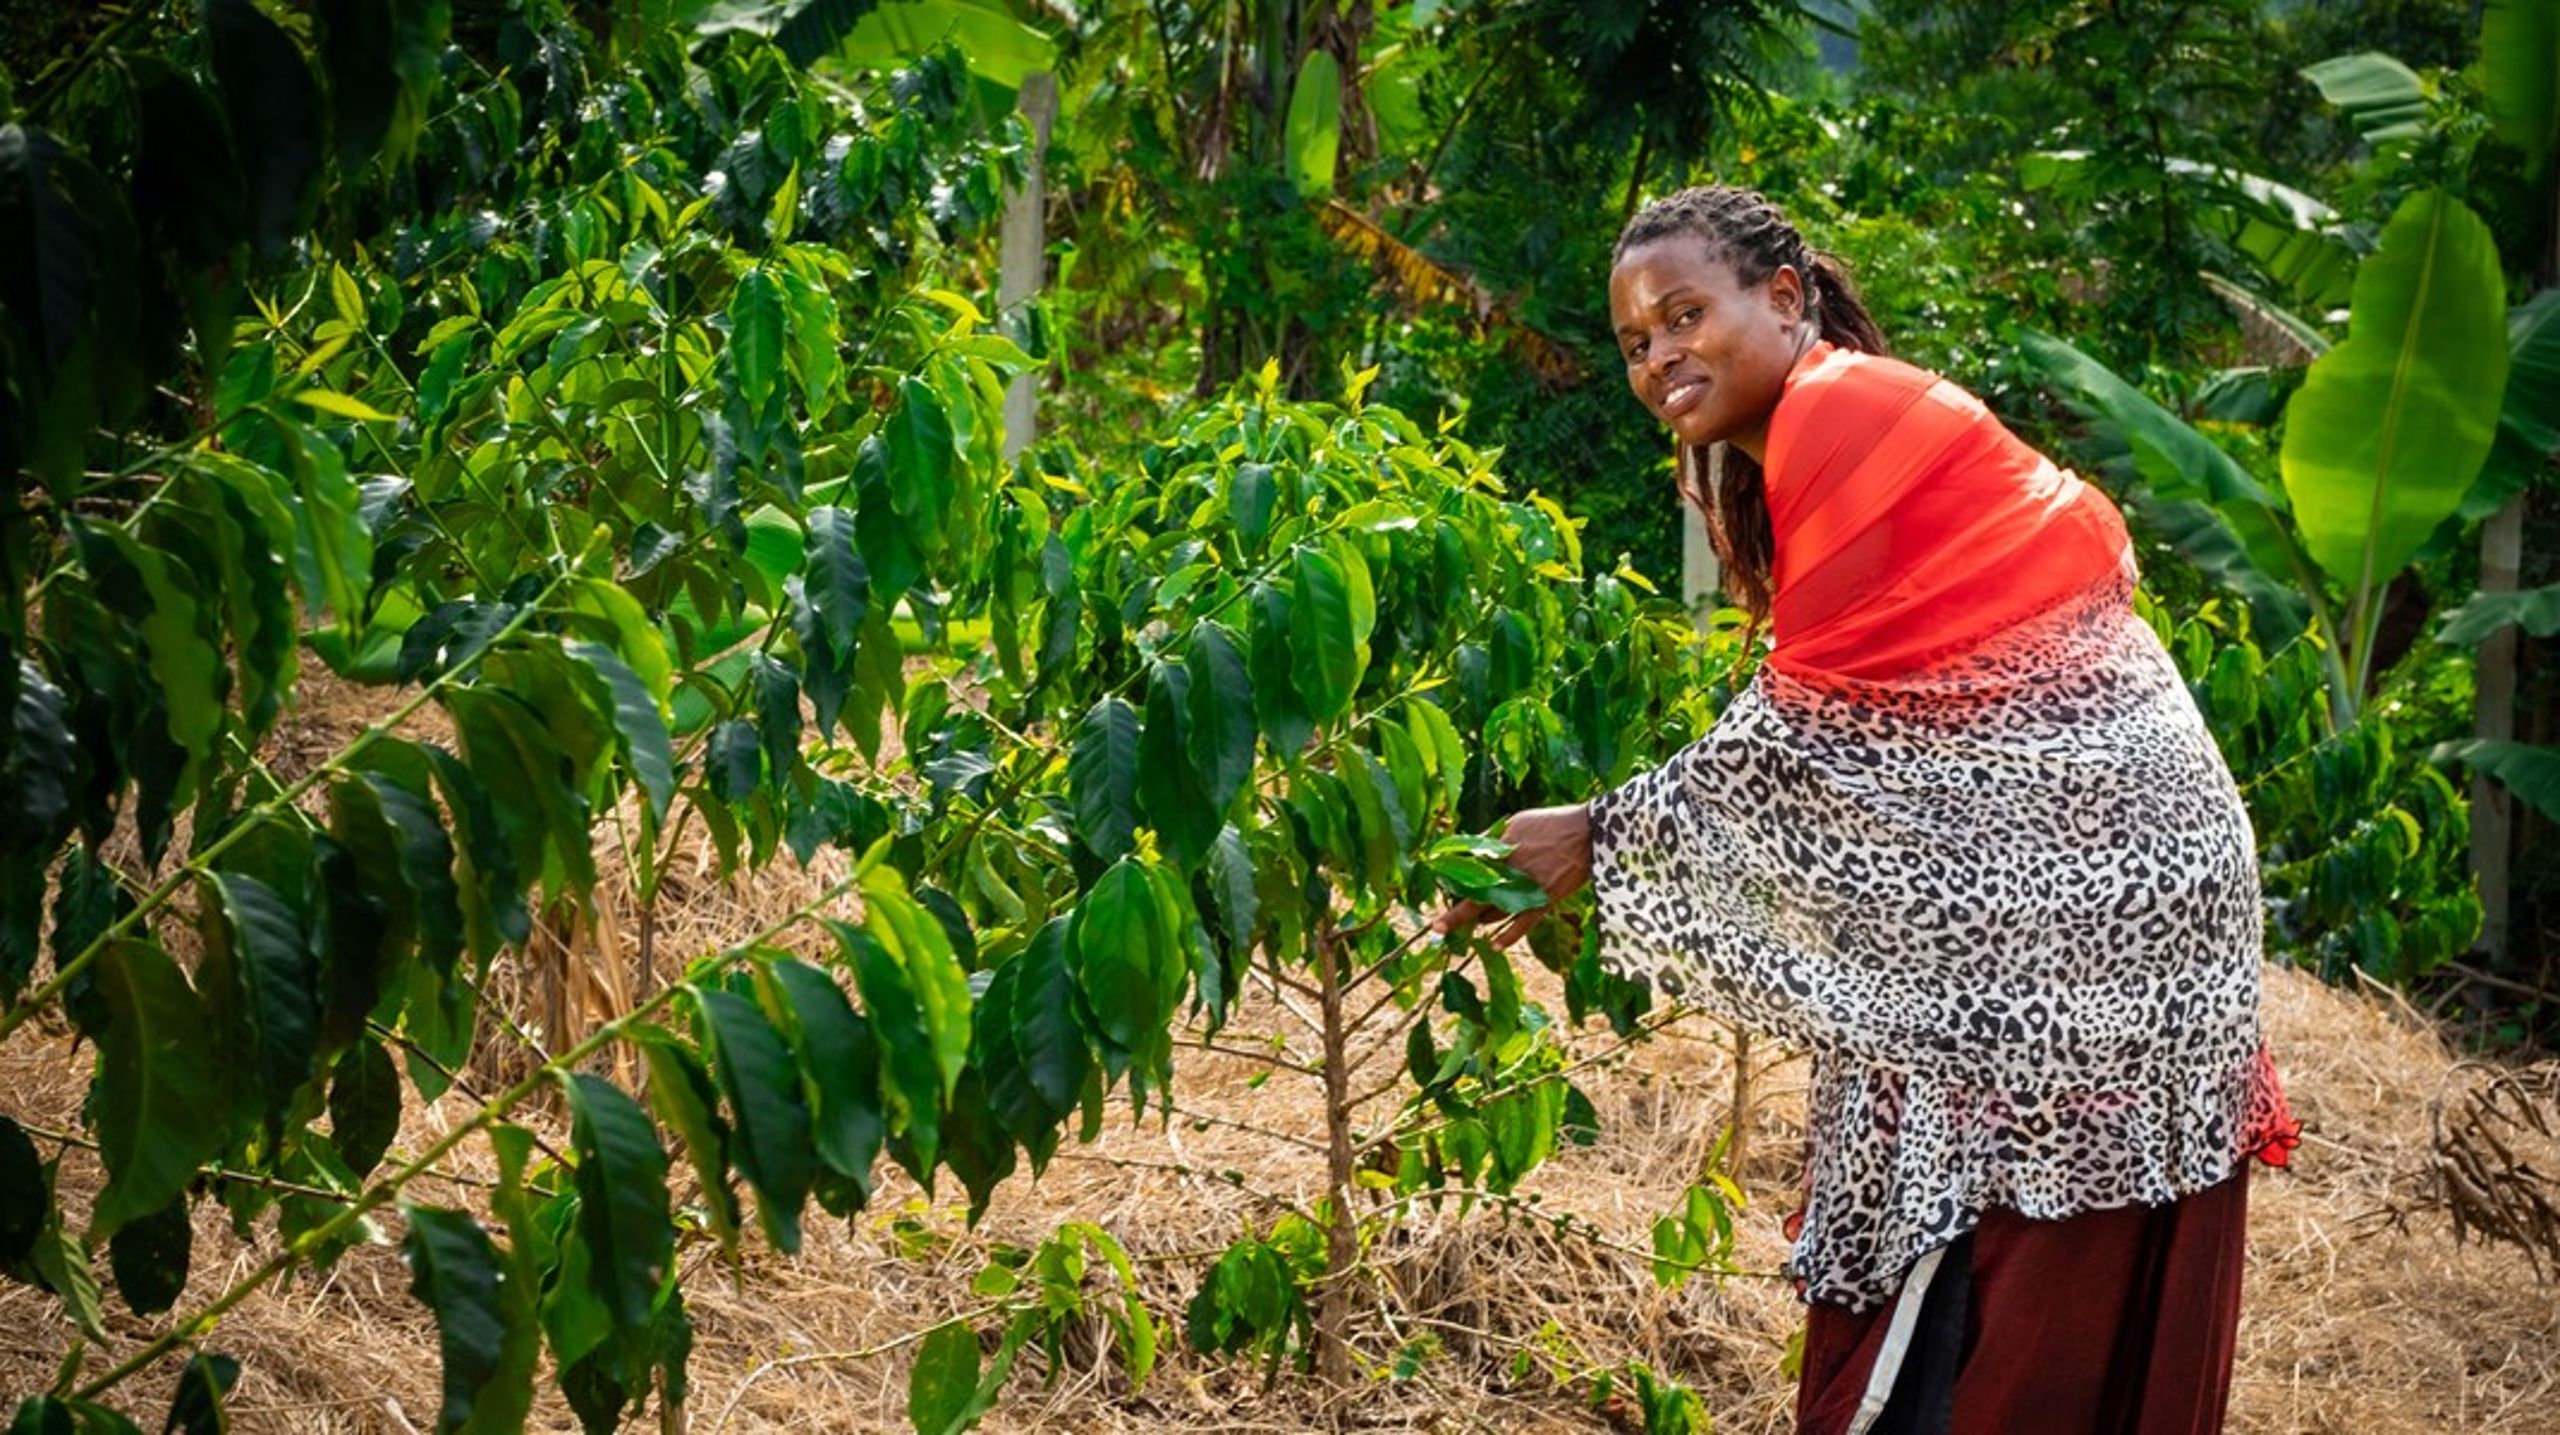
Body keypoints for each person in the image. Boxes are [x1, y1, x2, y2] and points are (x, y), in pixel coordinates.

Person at [1435, 185, 2300, 1434]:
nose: (1660, 353)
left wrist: (1599, 832)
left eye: (1686, 313)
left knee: (1992, 1314)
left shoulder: (1835, 409)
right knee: (2000, 1278)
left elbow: (1808, 736)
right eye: (1634, 341)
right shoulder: (1831, 425)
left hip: (2093, 930)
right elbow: (1889, 744)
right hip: (2107, 913)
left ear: (1783, 300)